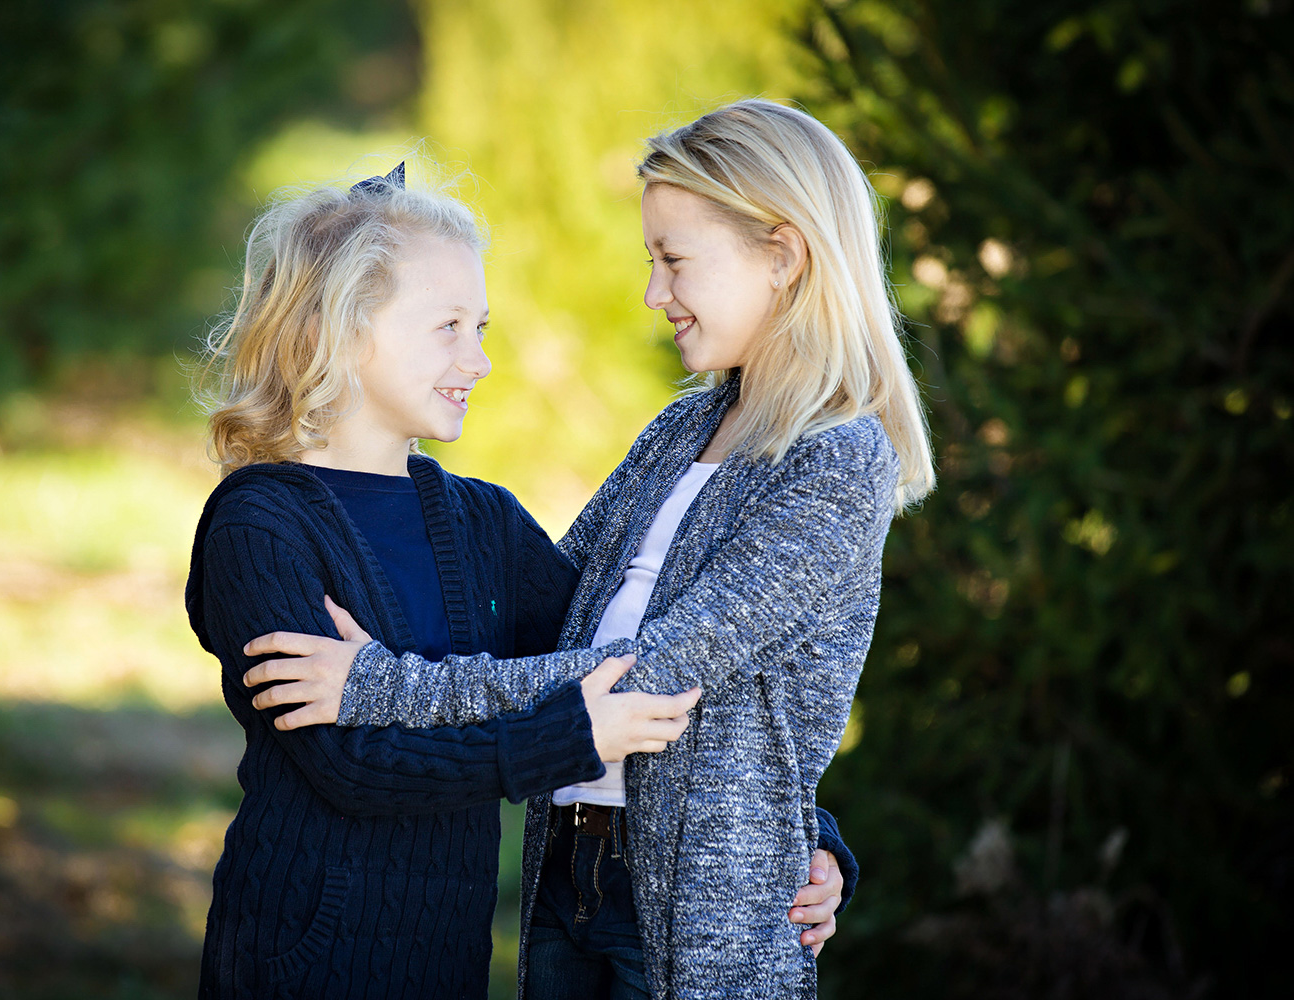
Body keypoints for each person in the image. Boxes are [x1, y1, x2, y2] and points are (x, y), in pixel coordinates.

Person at [242, 99, 933, 1000]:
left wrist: (378, 684)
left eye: (675, 260)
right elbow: (554, 631)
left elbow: (648, 681)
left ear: (783, 253)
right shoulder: (681, 431)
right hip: (569, 880)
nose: (654, 294)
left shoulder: (837, 459)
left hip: (690, 918)